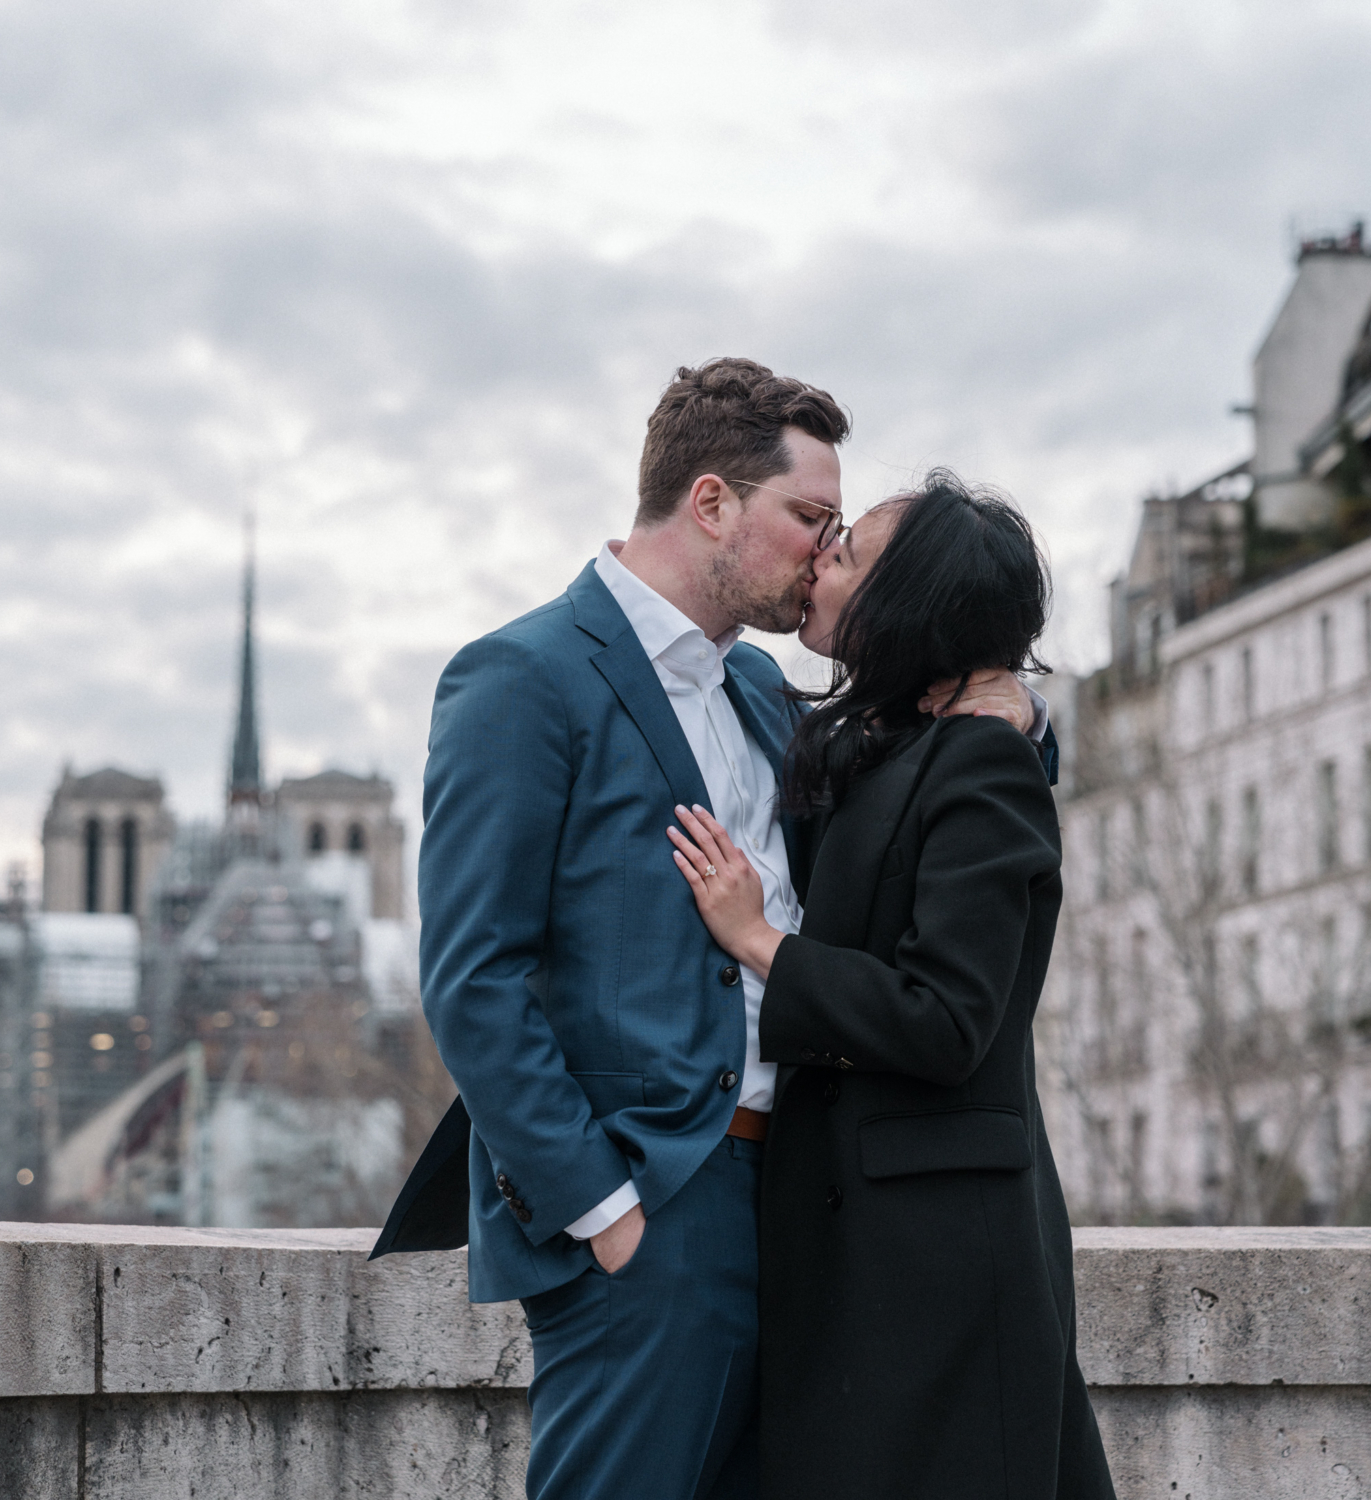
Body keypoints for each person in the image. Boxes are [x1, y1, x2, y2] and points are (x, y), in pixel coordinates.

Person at [371, 363, 1053, 1500]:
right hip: (649, 1215)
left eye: (836, 528)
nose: (819, 551)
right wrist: (603, 1212)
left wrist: (1022, 708)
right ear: (710, 503)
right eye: (806, 518)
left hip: (796, 1214)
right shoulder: (521, 678)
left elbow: (931, 784)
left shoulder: (755, 691)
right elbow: (472, 978)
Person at [668, 472, 1116, 1500]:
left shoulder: (978, 761)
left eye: (849, 552)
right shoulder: (872, 743)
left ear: (909, 600)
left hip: (938, 1268)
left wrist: (759, 942)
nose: (821, 557)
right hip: (852, 1249)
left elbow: (946, 1017)